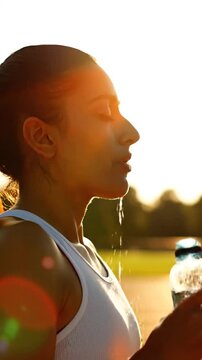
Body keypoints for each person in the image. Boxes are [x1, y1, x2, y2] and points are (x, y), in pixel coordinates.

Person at [0, 45, 201, 360]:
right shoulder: (23, 246)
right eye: (104, 113)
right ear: (42, 137)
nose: (131, 133)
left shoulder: (81, 251)